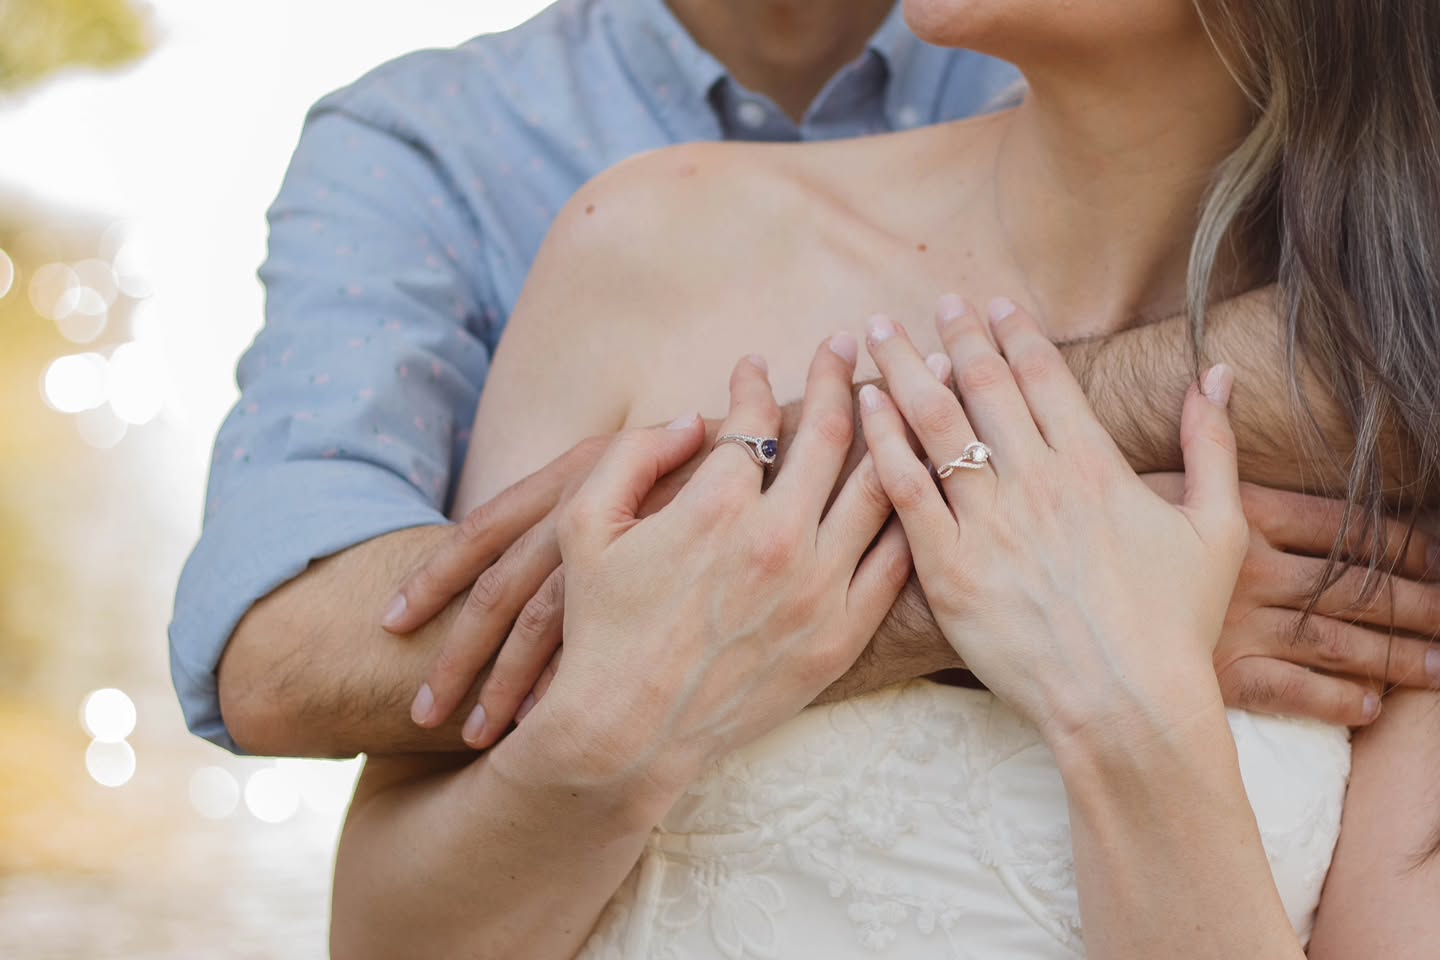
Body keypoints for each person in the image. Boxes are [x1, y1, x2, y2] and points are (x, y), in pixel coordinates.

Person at [326, 0, 1440, 956]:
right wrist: (624, 726)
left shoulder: (1404, 416)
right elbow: (379, 938)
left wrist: (1129, 708)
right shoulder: (654, 243)